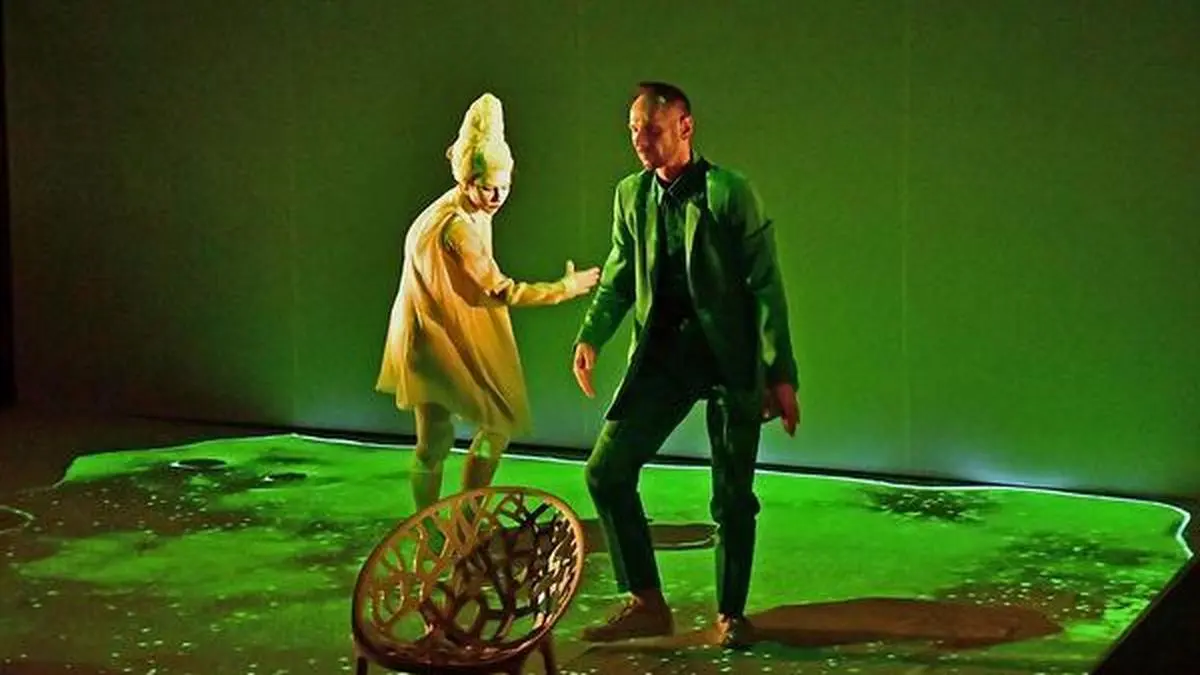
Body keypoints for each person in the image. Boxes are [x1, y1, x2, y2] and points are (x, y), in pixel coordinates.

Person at [571, 82, 800, 650]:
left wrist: (779, 373)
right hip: (663, 359)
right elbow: (620, 275)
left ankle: (731, 613)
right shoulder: (631, 194)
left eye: (651, 130)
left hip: (729, 361)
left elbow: (765, 285)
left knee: (732, 496)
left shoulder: (728, 193)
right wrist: (592, 335)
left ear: (685, 128)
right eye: (633, 130)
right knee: (606, 471)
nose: (639, 141)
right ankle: (646, 602)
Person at [377, 92, 600, 513]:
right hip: (432, 340)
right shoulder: (456, 227)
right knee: (464, 431)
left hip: (434, 334)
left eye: (505, 187)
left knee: (455, 434)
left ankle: (458, 516)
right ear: (466, 182)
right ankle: (448, 520)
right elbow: (502, 290)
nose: (497, 196)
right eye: (487, 188)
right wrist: (564, 288)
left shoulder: (465, 210)